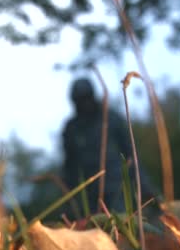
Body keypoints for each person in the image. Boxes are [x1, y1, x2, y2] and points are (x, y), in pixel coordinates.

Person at [62, 78, 154, 213]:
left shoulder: (110, 118)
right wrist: (69, 197)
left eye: (86, 98)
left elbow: (130, 152)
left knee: (120, 223)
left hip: (115, 185)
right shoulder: (71, 128)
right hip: (87, 193)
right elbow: (69, 165)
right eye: (79, 100)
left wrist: (144, 183)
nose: (84, 103)